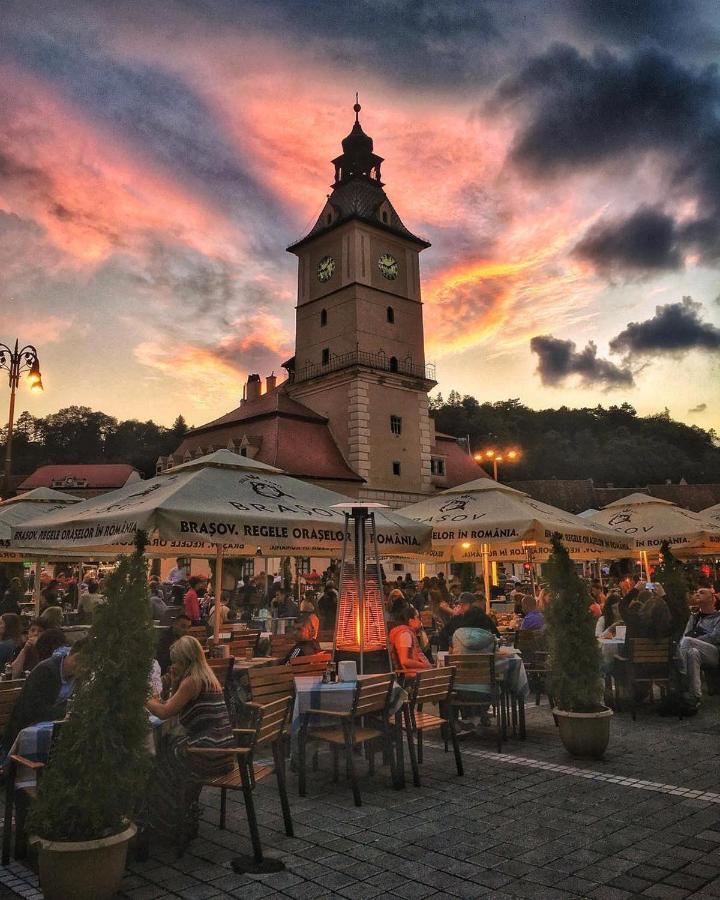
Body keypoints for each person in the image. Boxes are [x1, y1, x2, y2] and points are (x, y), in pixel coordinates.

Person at [145, 635, 235, 842]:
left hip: (208, 752)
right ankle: (183, 813)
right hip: (223, 750)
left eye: (176, 661)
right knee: (168, 748)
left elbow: (164, 711)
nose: (173, 665)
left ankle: (167, 821)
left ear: (186, 660)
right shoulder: (207, 676)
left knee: (161, 759)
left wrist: (144, 696)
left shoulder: (192, 681)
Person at [2, 639, 84, 753]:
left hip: (54, 727)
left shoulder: (79, 677)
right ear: (70, 653)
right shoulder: (46, 671)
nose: (82, 666)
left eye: (87, 664)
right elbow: (33, 709)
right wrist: (66, 712)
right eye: (78, 660)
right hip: (25, 728)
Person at [678, 588, 720, 706]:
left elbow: (716, 637)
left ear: (712, 598)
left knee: (688, 642)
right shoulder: (694, 617)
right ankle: (695, 696)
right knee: (692, 653)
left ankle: (681, 677)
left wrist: (694, 640)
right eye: (696, 592)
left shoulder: (718, 616)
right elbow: (686, 634)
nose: (697, 593)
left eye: (702, 592)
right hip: (696, 649)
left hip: (714, 652)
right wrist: (692, 641)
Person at [388, 605, 431, 672]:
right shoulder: (405, 635)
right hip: (414, 675)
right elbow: (404, 661)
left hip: (419, 674)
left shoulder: (408, 633)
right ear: (410, 620)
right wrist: (424, 665)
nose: (420, 621)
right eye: (417, 617)